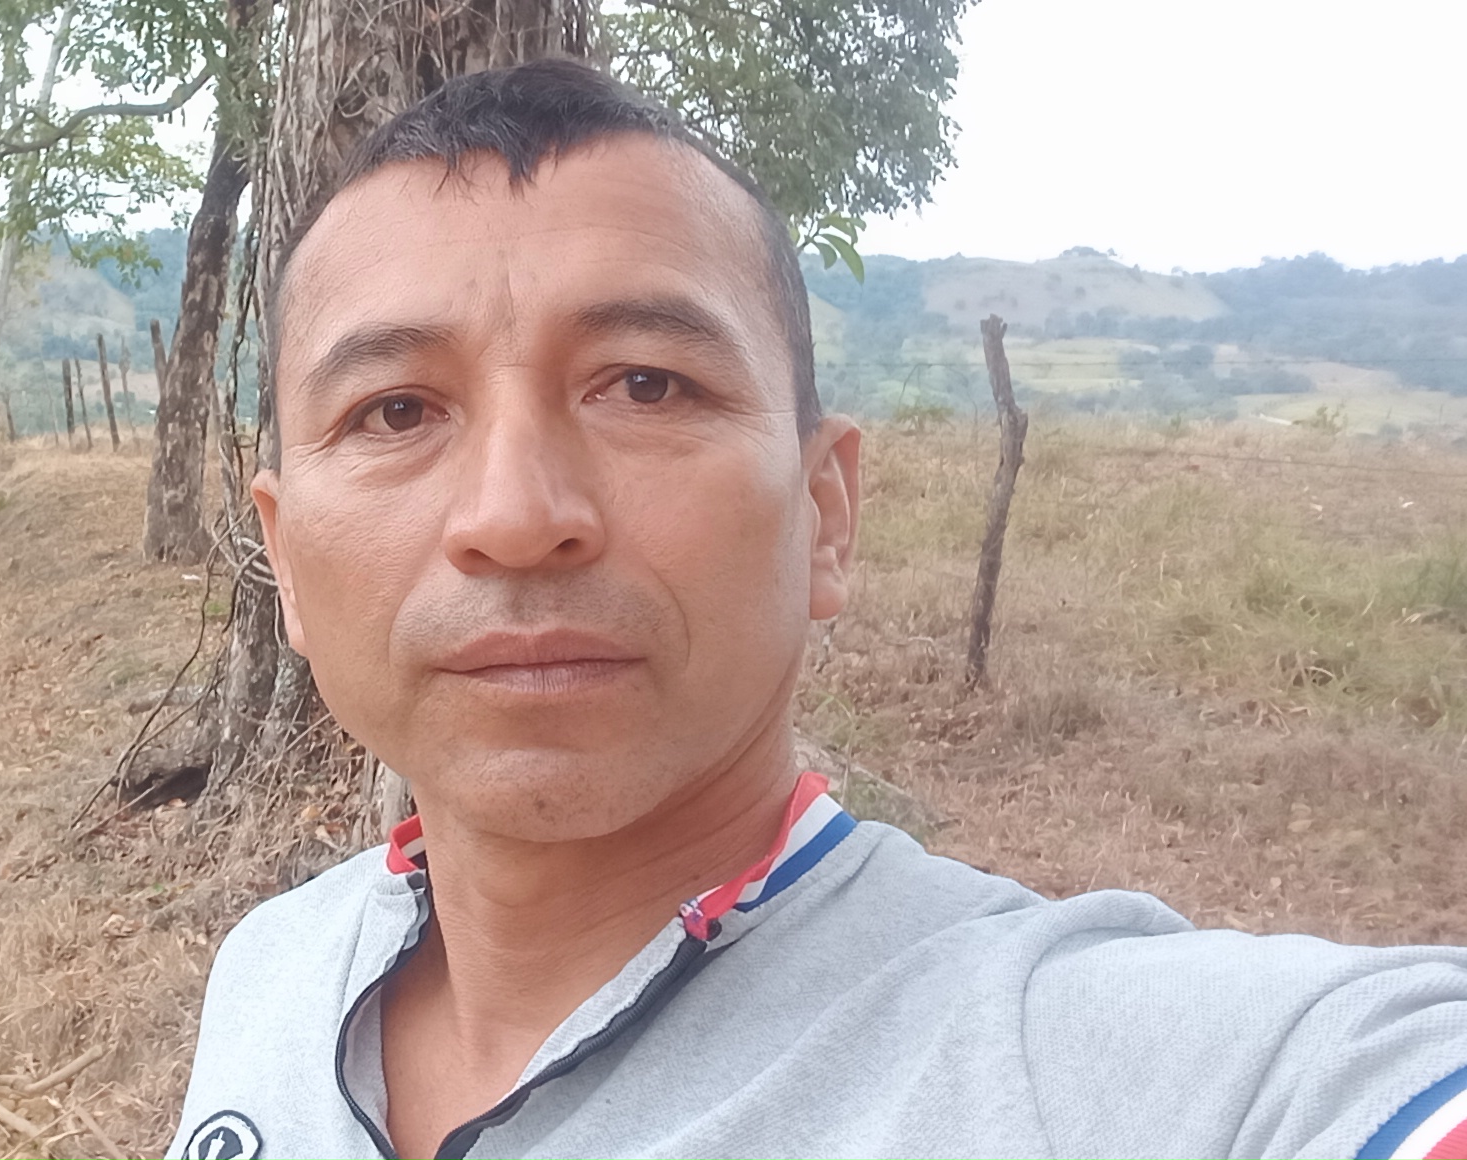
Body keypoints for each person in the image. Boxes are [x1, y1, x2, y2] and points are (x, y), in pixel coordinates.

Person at [165, 58, 1467, 1160]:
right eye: (395, 410)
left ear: (825, 514)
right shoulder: (272, 973)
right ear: (286, 559)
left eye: (646, 385)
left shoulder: (1068, 1063)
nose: (514, 513)